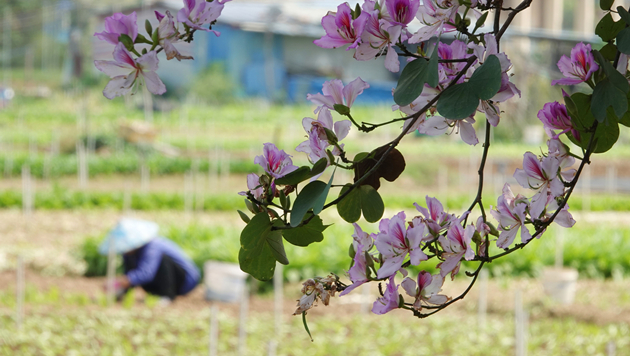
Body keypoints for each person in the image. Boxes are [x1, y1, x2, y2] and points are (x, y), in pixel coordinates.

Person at [99, 218, 200, 302]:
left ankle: (167, 296)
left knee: (162, 259)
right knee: (133, 268)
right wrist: (121, 288)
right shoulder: (129, 253)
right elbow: (130, 273)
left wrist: (121, 282)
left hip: (184, 281)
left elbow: (146, 273)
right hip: (156, 286)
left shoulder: (153, 246)